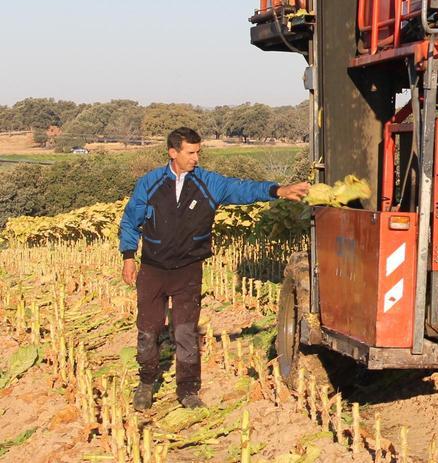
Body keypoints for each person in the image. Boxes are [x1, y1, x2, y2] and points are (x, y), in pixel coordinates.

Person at [118, 127, 310, 411]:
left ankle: (187, 391)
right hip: (153, 269)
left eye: (198, 152)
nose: (196, 158)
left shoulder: (208, 183)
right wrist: (128, 256)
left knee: (185, 332)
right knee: (148, 330)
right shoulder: (149, 183)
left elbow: (242, 189)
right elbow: (130, 220)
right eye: (190, 153)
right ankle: (146, 383)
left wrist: (278, 190)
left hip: (188, 269)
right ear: (173, 153)